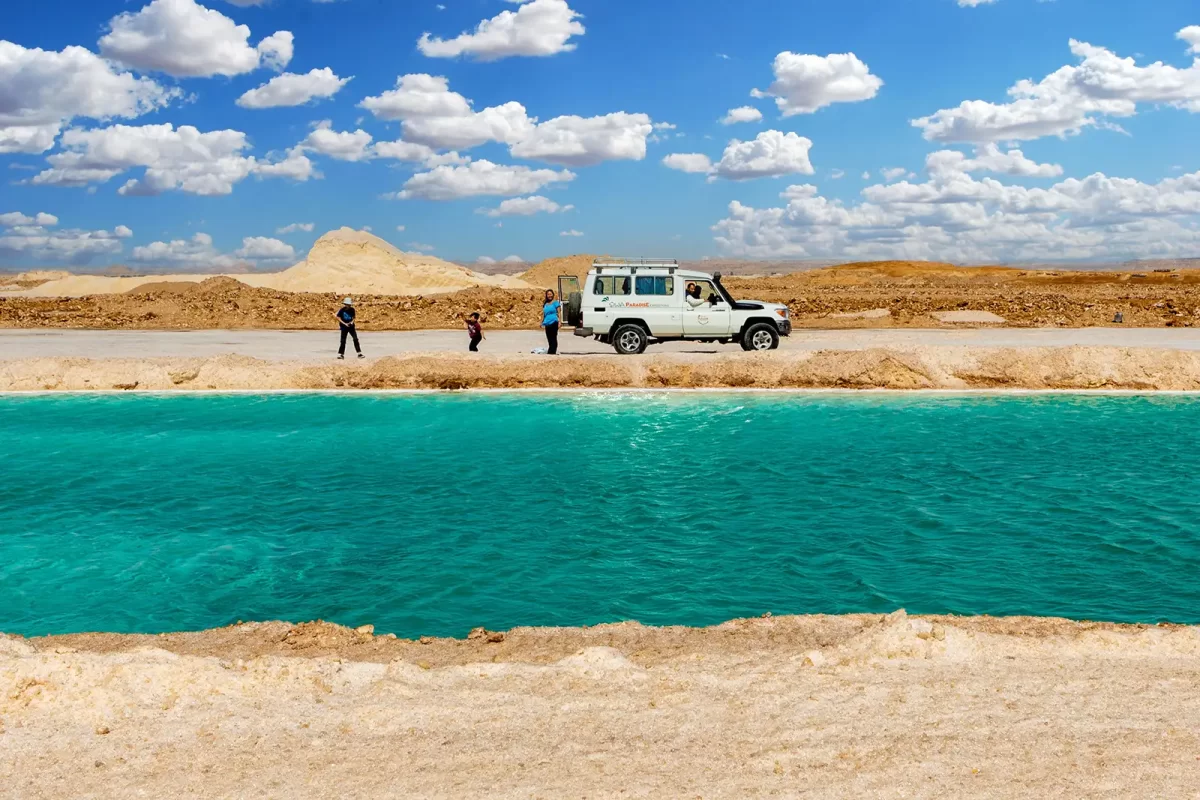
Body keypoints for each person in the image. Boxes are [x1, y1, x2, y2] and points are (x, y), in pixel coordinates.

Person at [541, 289, 561, 355]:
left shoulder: (555, 303)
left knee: (553, 337)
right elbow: (544, 314)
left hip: (554, 322)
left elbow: (559, 312)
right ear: (546, 295)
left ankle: (553, 351)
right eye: (548, 294)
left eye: (550, 294)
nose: (549, 295)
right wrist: (541, 322)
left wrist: (559, 322)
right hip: (547, 323)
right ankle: (551, 350)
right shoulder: (545, 304)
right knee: (549, 337)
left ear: (553, 295)